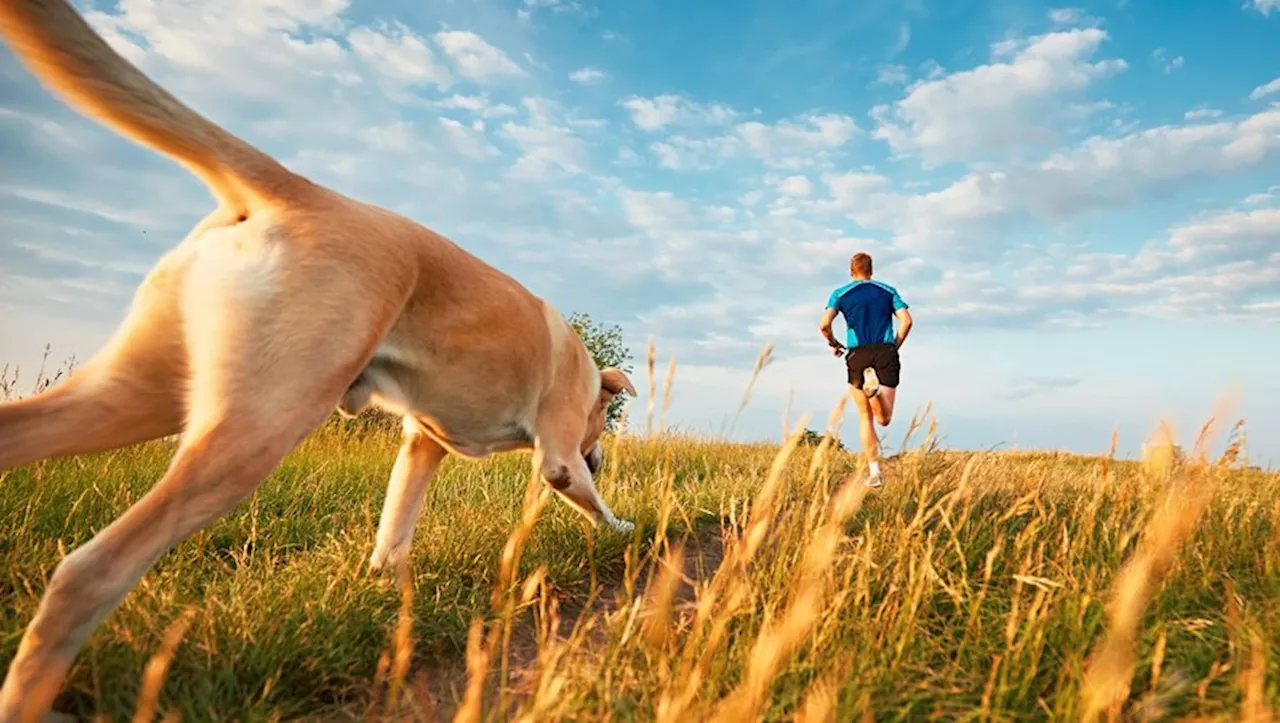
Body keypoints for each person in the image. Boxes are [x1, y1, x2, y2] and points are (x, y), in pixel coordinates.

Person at [818, 252, 913, 488]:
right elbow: (907, 320)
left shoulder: (840, 293)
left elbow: (824, 324)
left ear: (851, 271)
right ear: (871, 270)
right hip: (885, 352)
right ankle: (876, 393)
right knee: (884, 419)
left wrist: (834, 343)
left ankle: (874, 473)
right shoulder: (888, 291)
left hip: (857, 355)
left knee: (865, 417)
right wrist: (895, 345)